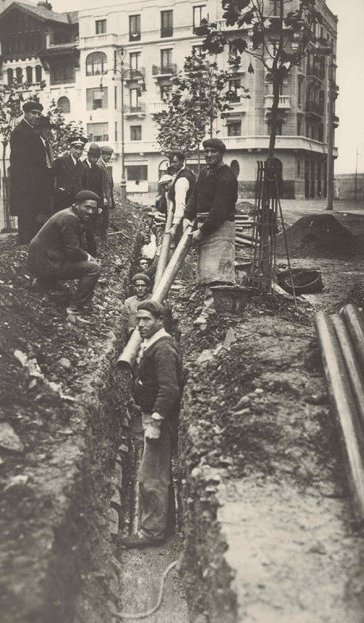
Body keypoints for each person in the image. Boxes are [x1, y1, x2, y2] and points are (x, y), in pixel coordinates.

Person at [120, 300, 183, 549]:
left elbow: (170, 389)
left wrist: (156, 421)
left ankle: (151, 533)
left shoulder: (164, 348)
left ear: (160, 320)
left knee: (151, 476)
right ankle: (163, 525)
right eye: (138, 319)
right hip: (153, 414)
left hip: (160, 419)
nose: (141, 324)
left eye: (146, 319)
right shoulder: (155, 342)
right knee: (157, 473)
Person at [183, 138, 238, 326]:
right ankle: (209, 308)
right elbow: (194, 196)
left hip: (220, 227)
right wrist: (186, 216)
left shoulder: (226, 176)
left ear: (221, 153)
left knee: (217, 271)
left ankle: (210, 314)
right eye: (205, 151)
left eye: (213, 152)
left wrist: (202, 231)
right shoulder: (205, 173)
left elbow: (219, 210)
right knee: (207, 269)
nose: (208, 155)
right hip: (206, 223)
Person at [27, 190, 101, 315]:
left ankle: (42, 283)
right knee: (94, 269)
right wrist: (89, 258)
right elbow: (72, 250)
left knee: (87, 263)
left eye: (93, 209)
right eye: (87, 207)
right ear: (77, 204)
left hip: (43, 259)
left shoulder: (68, 214)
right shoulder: (70, 218)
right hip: (47, 262)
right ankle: (76, 307)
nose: (90, 212)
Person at [9, 99, 50, 244]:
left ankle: (30, 244)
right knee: (26, 214)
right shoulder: (20, 132)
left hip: (34, 182)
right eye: (33, 113)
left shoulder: (32, 131)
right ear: (25, 113)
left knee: (33, 214)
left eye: (39, 114)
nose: (37, 116)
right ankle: (25, 244)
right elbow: (20, 162)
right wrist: (28, 183)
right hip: (26, 183)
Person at [52, 136, 87, 212]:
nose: (78, 151)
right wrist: (57, 191)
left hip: (76, 203)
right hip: (61, 202)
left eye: (81, 149)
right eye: (76, 148)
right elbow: (50, 178)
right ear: (70, 148)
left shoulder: (83, 167)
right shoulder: (60, 162)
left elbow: (84, 184)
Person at [168, 151, 196, 246]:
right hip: (188, 218)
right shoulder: (185, 173)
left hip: (183, 221)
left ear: (182, 162)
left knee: (180, 246)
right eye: (171, 161)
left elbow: (180, 204)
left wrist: (174, 226)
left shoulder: (182, 179)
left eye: (175, 162)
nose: (172, 164)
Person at [82, 143, 104, 253]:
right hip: (84, 203)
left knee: (92, 229)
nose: (95, 159)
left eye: (97, 157)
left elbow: (100, 189)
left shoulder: (98, 169)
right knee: (82, 228)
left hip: (94, 204)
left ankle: (92, 252)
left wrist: (100, 205)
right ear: (89, 156)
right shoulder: (82, 167)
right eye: (93, 157)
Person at [34, 115, 55, 230]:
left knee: (48, 208)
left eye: (49, 129)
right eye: (45, 128)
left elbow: (51, 162)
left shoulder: (47, 144)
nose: (48, 131)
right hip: (40, 182)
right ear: (39, 130)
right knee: (41, 210)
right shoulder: (36, 144)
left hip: (49, 181)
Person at [97, 144, 116, 236]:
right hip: (102, 198)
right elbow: (100, 184)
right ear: (102, 154)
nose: (109, 157)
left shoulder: (104, 165)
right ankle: (101, 238)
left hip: (106, 197)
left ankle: (103, 236)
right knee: (102, 220)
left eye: (110, 154)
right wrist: (104, 197)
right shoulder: (99, 165)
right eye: (107, 154)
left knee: (105, 220)